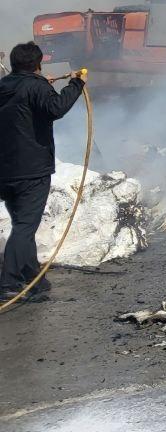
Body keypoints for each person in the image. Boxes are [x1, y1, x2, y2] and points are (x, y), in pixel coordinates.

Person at [0, 41, 85, 301]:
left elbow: (24, 99)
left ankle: (32, 277)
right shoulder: (36, 87)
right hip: (31, 170)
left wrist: (40, 86)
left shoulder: (4, 85)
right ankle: (9, 283)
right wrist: (76, 84)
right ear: (38, 64)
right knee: (25, 226)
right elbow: (56, 108)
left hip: (4, 171)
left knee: (22, 224)